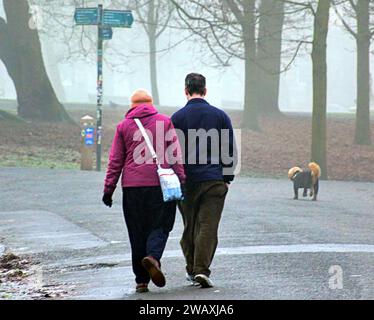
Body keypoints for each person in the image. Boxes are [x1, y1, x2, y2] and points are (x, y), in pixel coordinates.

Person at [102, 89, 186, 293]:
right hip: (159, 185)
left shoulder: (123, 126)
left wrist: (109, 189)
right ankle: (153, 257)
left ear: (131, 106)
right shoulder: (164, 122)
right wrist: (181, 179)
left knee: (136, 231)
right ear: (151, 104)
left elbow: (116, 160)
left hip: (132, 188)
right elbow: (175, 153)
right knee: (162, 224)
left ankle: (141, 280)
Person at [171, 73, 237, 288]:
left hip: (186, 181)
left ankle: (191, 269)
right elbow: (230, 149)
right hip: (213, 180)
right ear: (205, 91)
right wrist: (226, 177)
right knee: (208, 226)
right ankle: (202, 270)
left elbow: (172, 152)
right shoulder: (220, 116)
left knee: (190, 226)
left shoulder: (177, 118)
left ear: (185, 90)